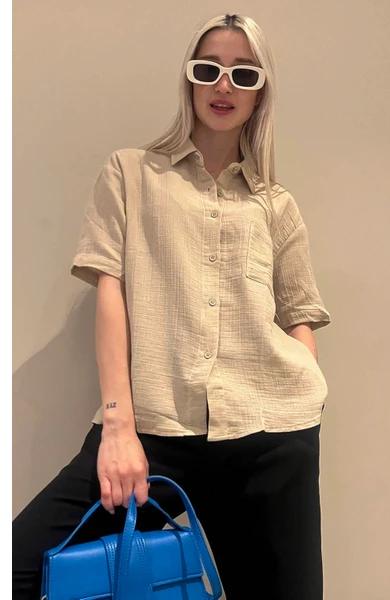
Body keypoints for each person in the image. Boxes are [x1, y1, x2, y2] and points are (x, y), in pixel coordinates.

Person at [12, 13, 331, 600]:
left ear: (261, 92)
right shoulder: (130, 173)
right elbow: (110, 292)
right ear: (188, 79)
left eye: (244, 73)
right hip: (155, 430)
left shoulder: (275, 204)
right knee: (21, 567)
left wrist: (304, 388)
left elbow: (299, 313)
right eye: (209, 69)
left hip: (269, 435)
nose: (224, 85)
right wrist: (118, 427)